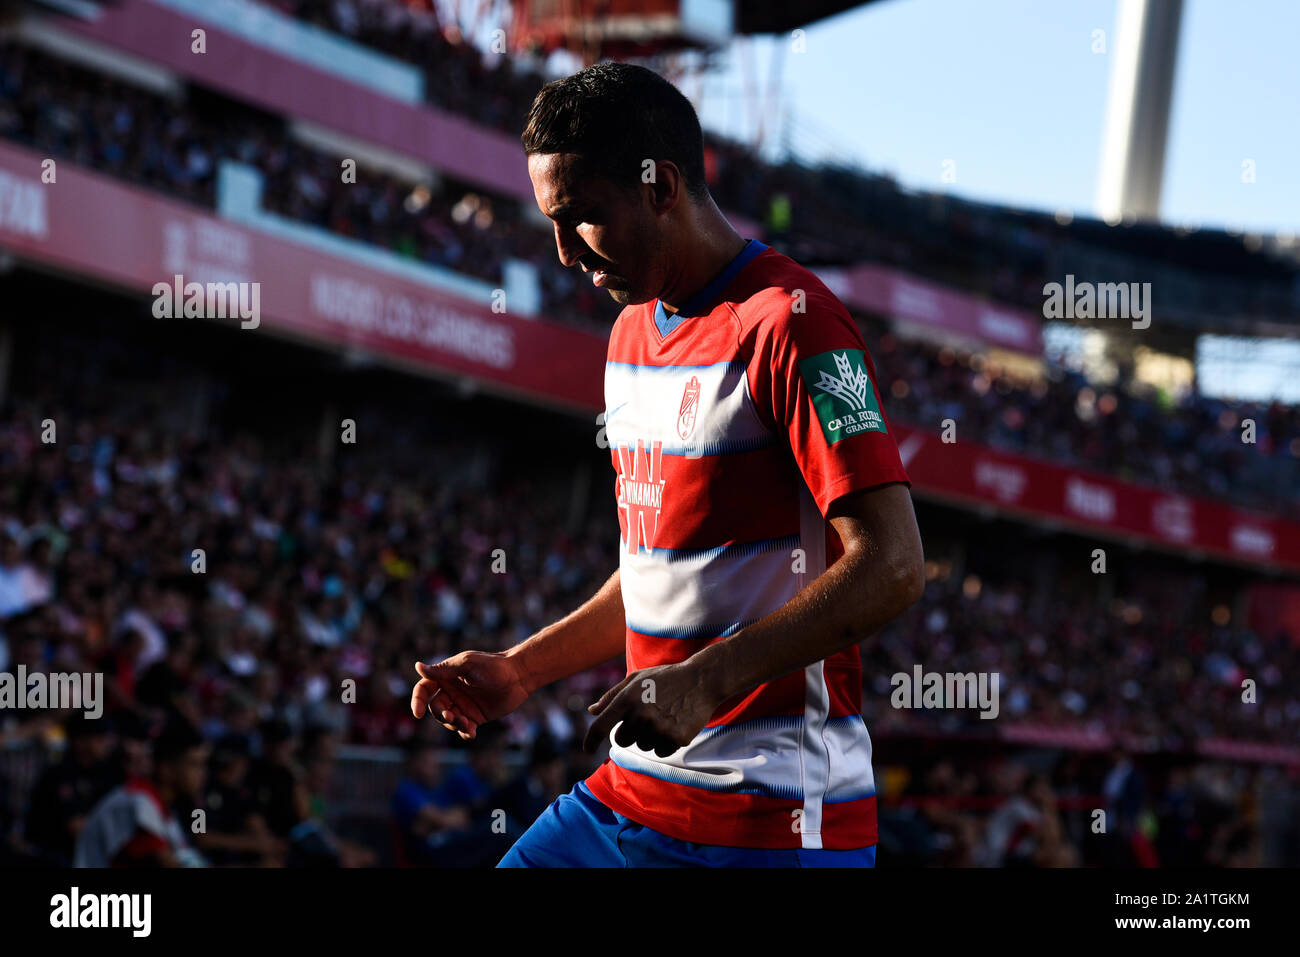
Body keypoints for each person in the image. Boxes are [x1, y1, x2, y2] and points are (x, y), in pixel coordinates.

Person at [412, 62, 924, 867]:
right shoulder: (626, 336)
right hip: (630, 793)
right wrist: (521, 669)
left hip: (773, 820)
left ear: (661, 187)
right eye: (551, 220)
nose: (563, 253)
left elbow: (893, 565)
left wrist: (707, 679)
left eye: (581, 218)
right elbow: (658, 576)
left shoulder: (793, 325)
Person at [73, 718, 208, 867]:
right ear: (166, 769)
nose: (203, 774)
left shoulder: (163, 806)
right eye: (195, 765)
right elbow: (167, 863)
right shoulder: (138, 802)